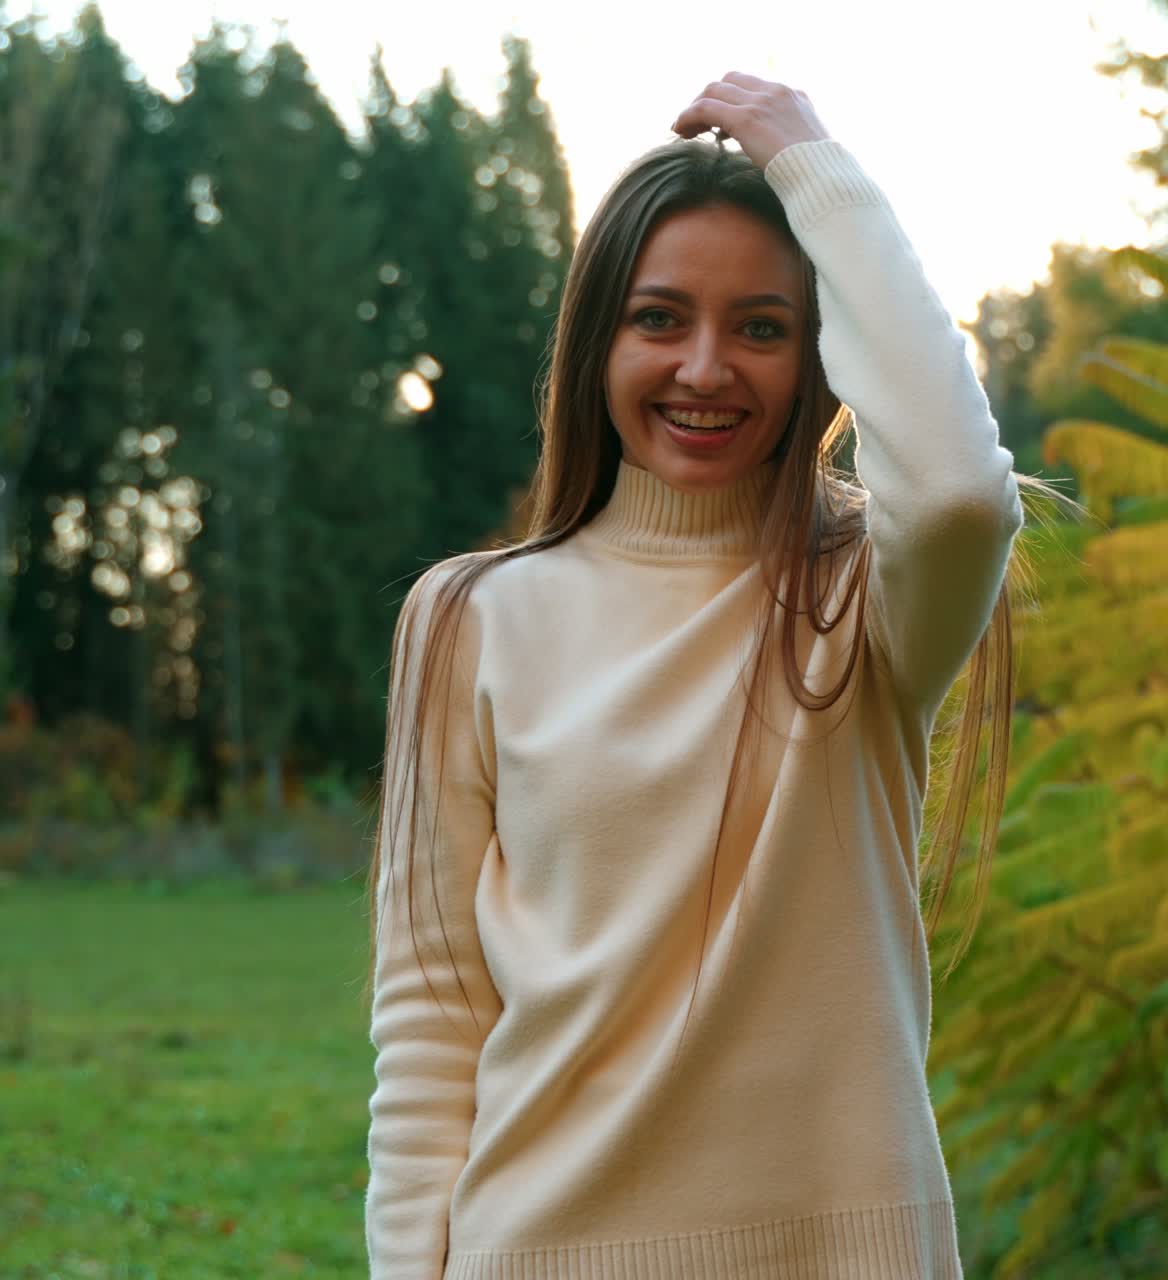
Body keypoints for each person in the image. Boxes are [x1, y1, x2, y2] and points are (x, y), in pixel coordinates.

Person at [363, 72, 1036, 1280]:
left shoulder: (858, 600)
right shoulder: (468, 615)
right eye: (659, 317)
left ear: (819, 353)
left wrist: (810, 165)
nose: (705, 367)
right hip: (538, 1249)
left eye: (762, 327)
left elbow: (950, 492)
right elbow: (432, 1007)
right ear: (595, 340)